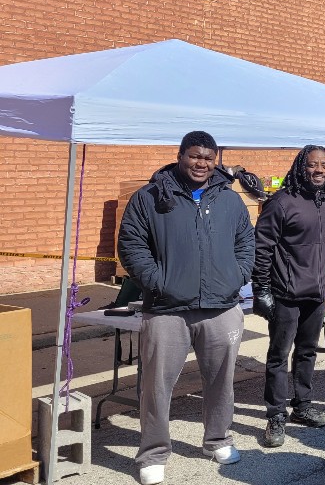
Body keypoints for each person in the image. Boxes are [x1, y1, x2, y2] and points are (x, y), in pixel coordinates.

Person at [117, 131, 254, 485]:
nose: (201, 164)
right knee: (155, 385)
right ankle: (153, 453)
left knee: (221, 379)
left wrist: (236, 276)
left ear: (215, 160)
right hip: (166, 309)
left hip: (221, 306)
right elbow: (131, 243)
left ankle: (218, 439)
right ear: (180, 156)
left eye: (208, 158)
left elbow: (246, 242)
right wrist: (159, 282)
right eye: (194, 156)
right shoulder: (150, 197)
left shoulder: (229, 199)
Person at [253, 145, 325, 448]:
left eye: (324, 165)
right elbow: (261, 248)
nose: (318, 170)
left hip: (316, 294)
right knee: (278, 355)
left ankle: (302, 405)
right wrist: (261, 289)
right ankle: (275, 414)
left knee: (307, 352)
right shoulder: (282, 202)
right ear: (301, 166)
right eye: (312, 165)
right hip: (285, 293)